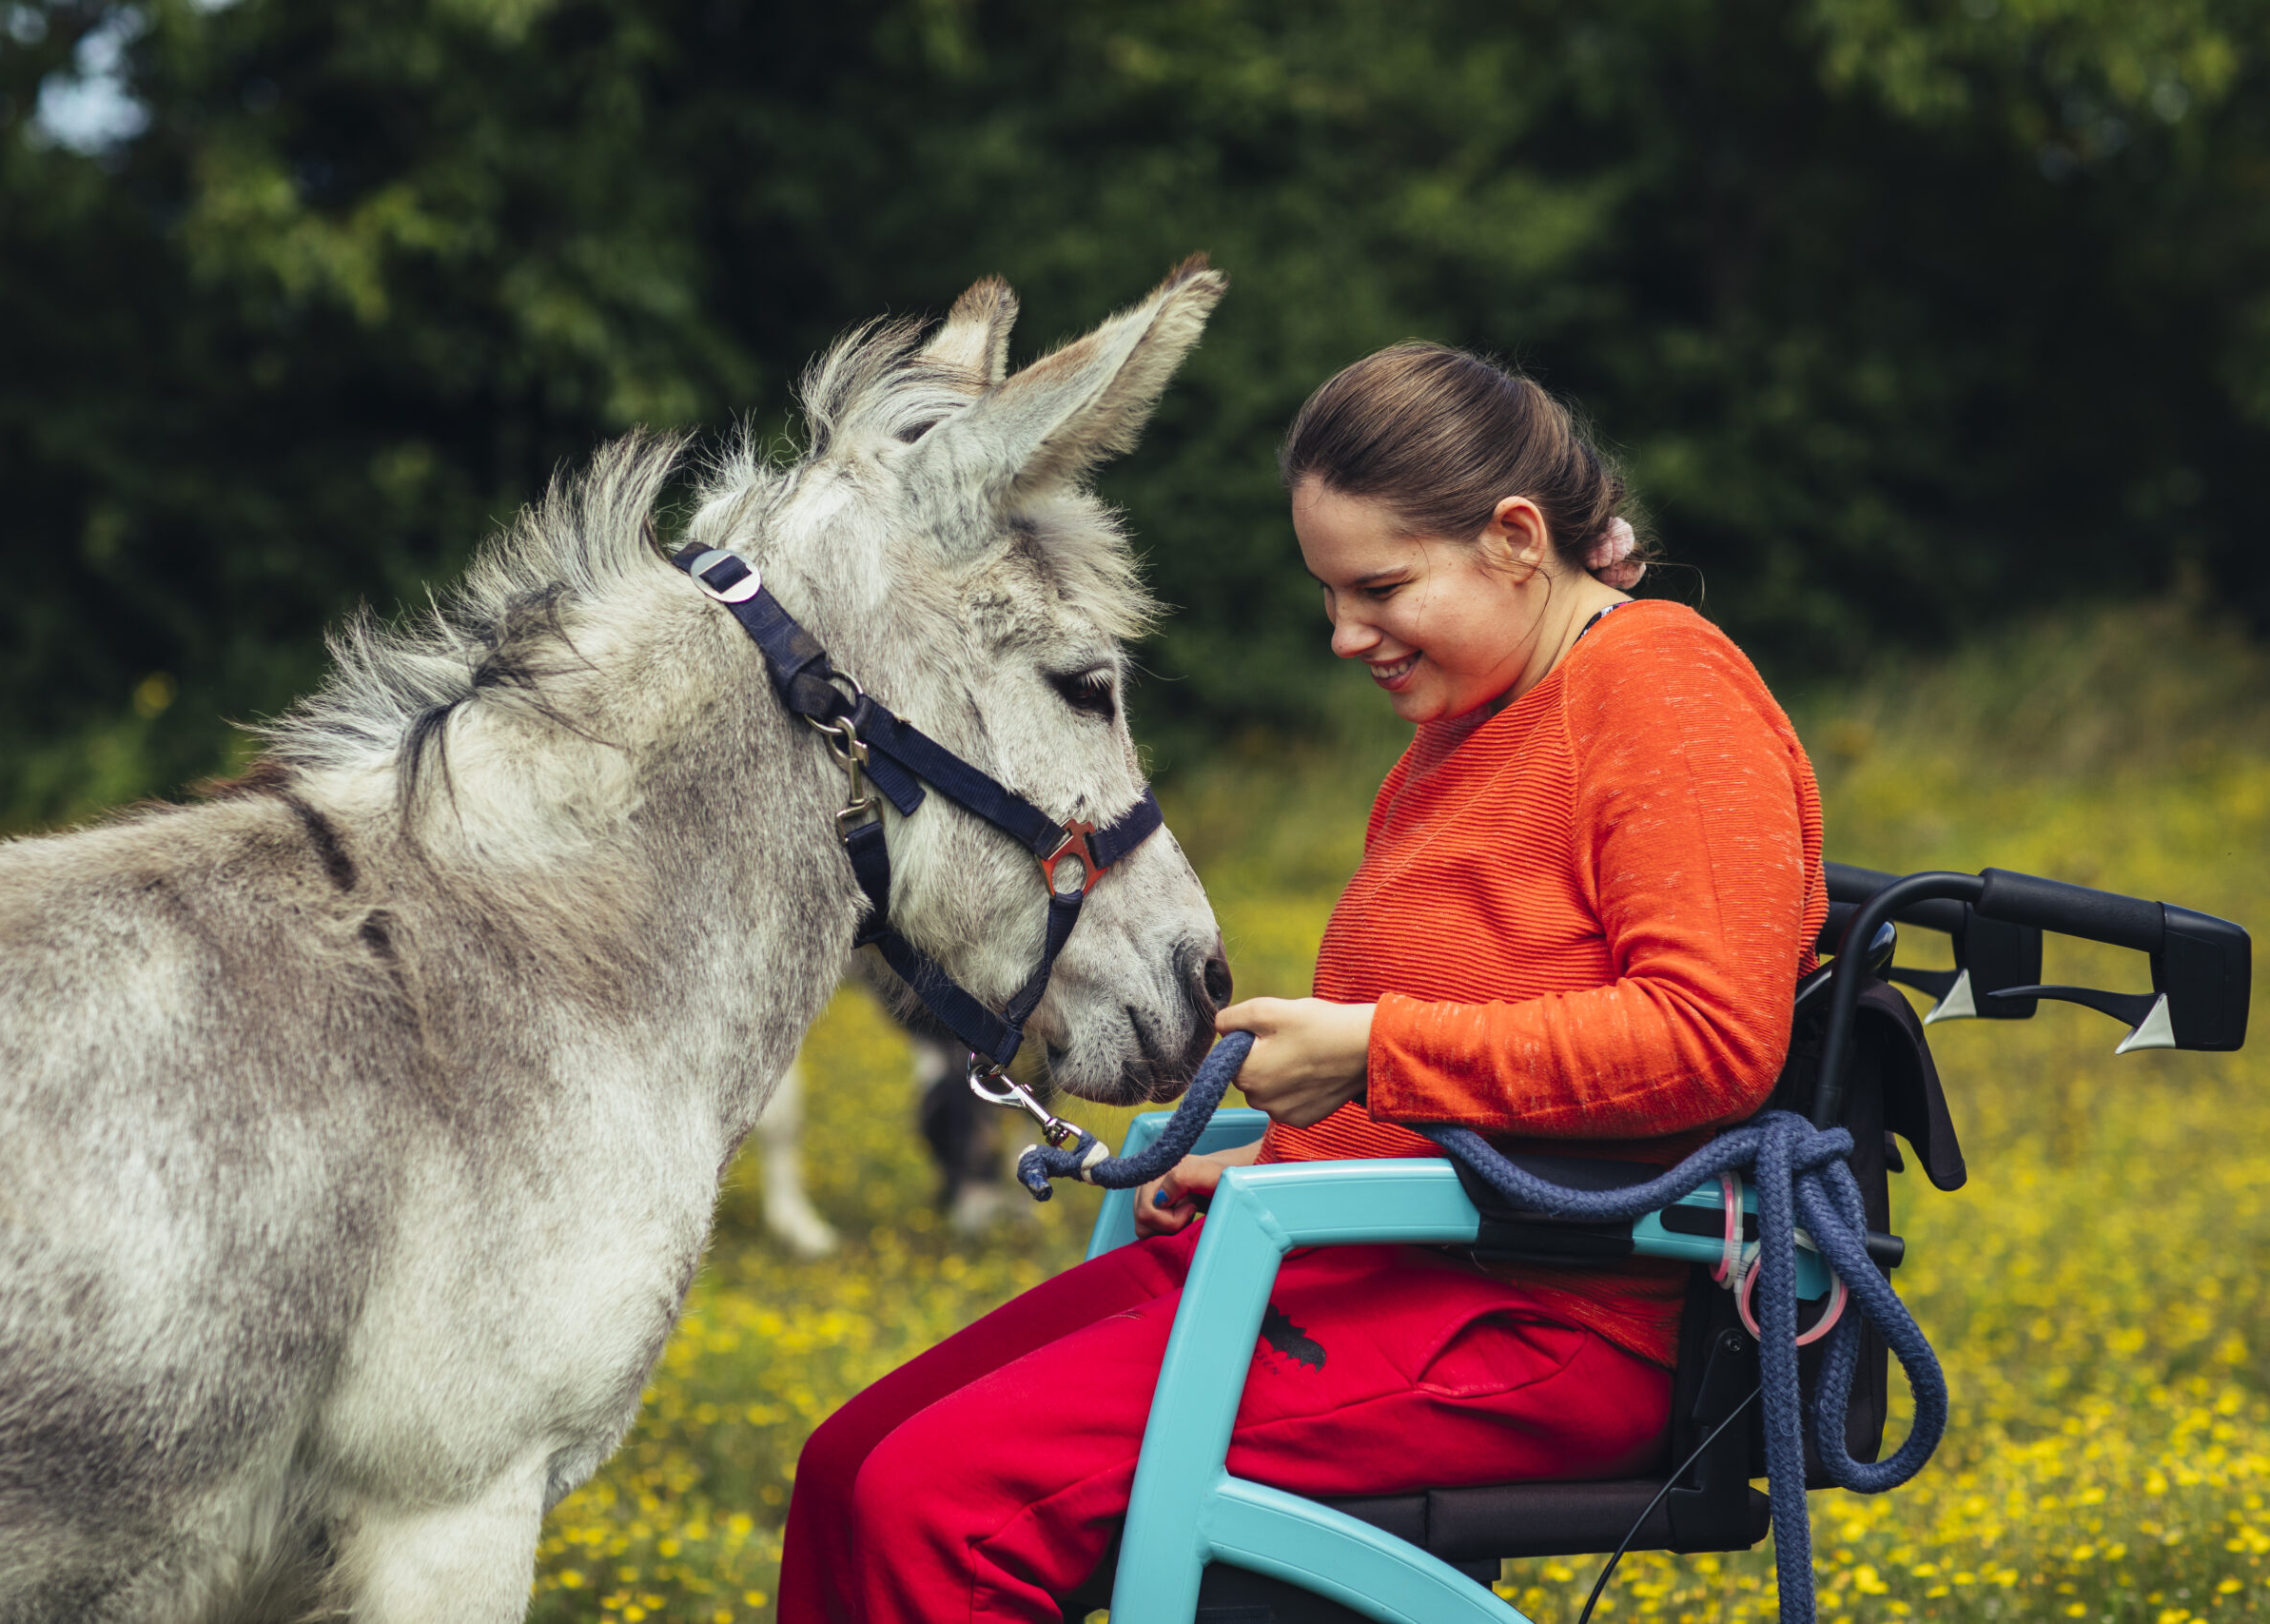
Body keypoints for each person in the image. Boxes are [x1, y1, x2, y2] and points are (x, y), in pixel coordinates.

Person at [776, 342, 1828, 1624]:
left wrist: (1371, 1053)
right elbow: (1494, 1027)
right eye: (1328, 594)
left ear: (1512, 538)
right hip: (1389, 1263)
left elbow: (1711, 1042)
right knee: (847, 1465)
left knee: (935, 1505)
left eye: (1378, 587)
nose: (1342, 635)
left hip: (1551, 1320)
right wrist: (1295, 1159)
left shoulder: (1663, 689)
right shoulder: (1473, 722)